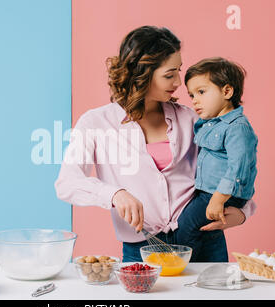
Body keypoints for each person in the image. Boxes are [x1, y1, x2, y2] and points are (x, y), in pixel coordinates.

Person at [54, 26, 256, 262]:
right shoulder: (95, 122)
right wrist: (114, 194)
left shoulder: (191, 119)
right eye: (169, 75)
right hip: (142, 249)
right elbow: (66, 183)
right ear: (142, 74)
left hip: (204, 243)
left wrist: (242, 213)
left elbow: (234, 164)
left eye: (178, 71)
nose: (179, 82)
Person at [174, 57, 258, 262]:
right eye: (192, 94)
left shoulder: (237, 127)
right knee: (207, 232)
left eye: (201, 92)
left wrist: (219, 198)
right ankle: (215, 269)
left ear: (227, 91)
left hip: (223, 193)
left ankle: (180, 264)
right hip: (210, 192)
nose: (194, 100)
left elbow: (238, 168)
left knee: (187, 224)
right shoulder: (212, 124)